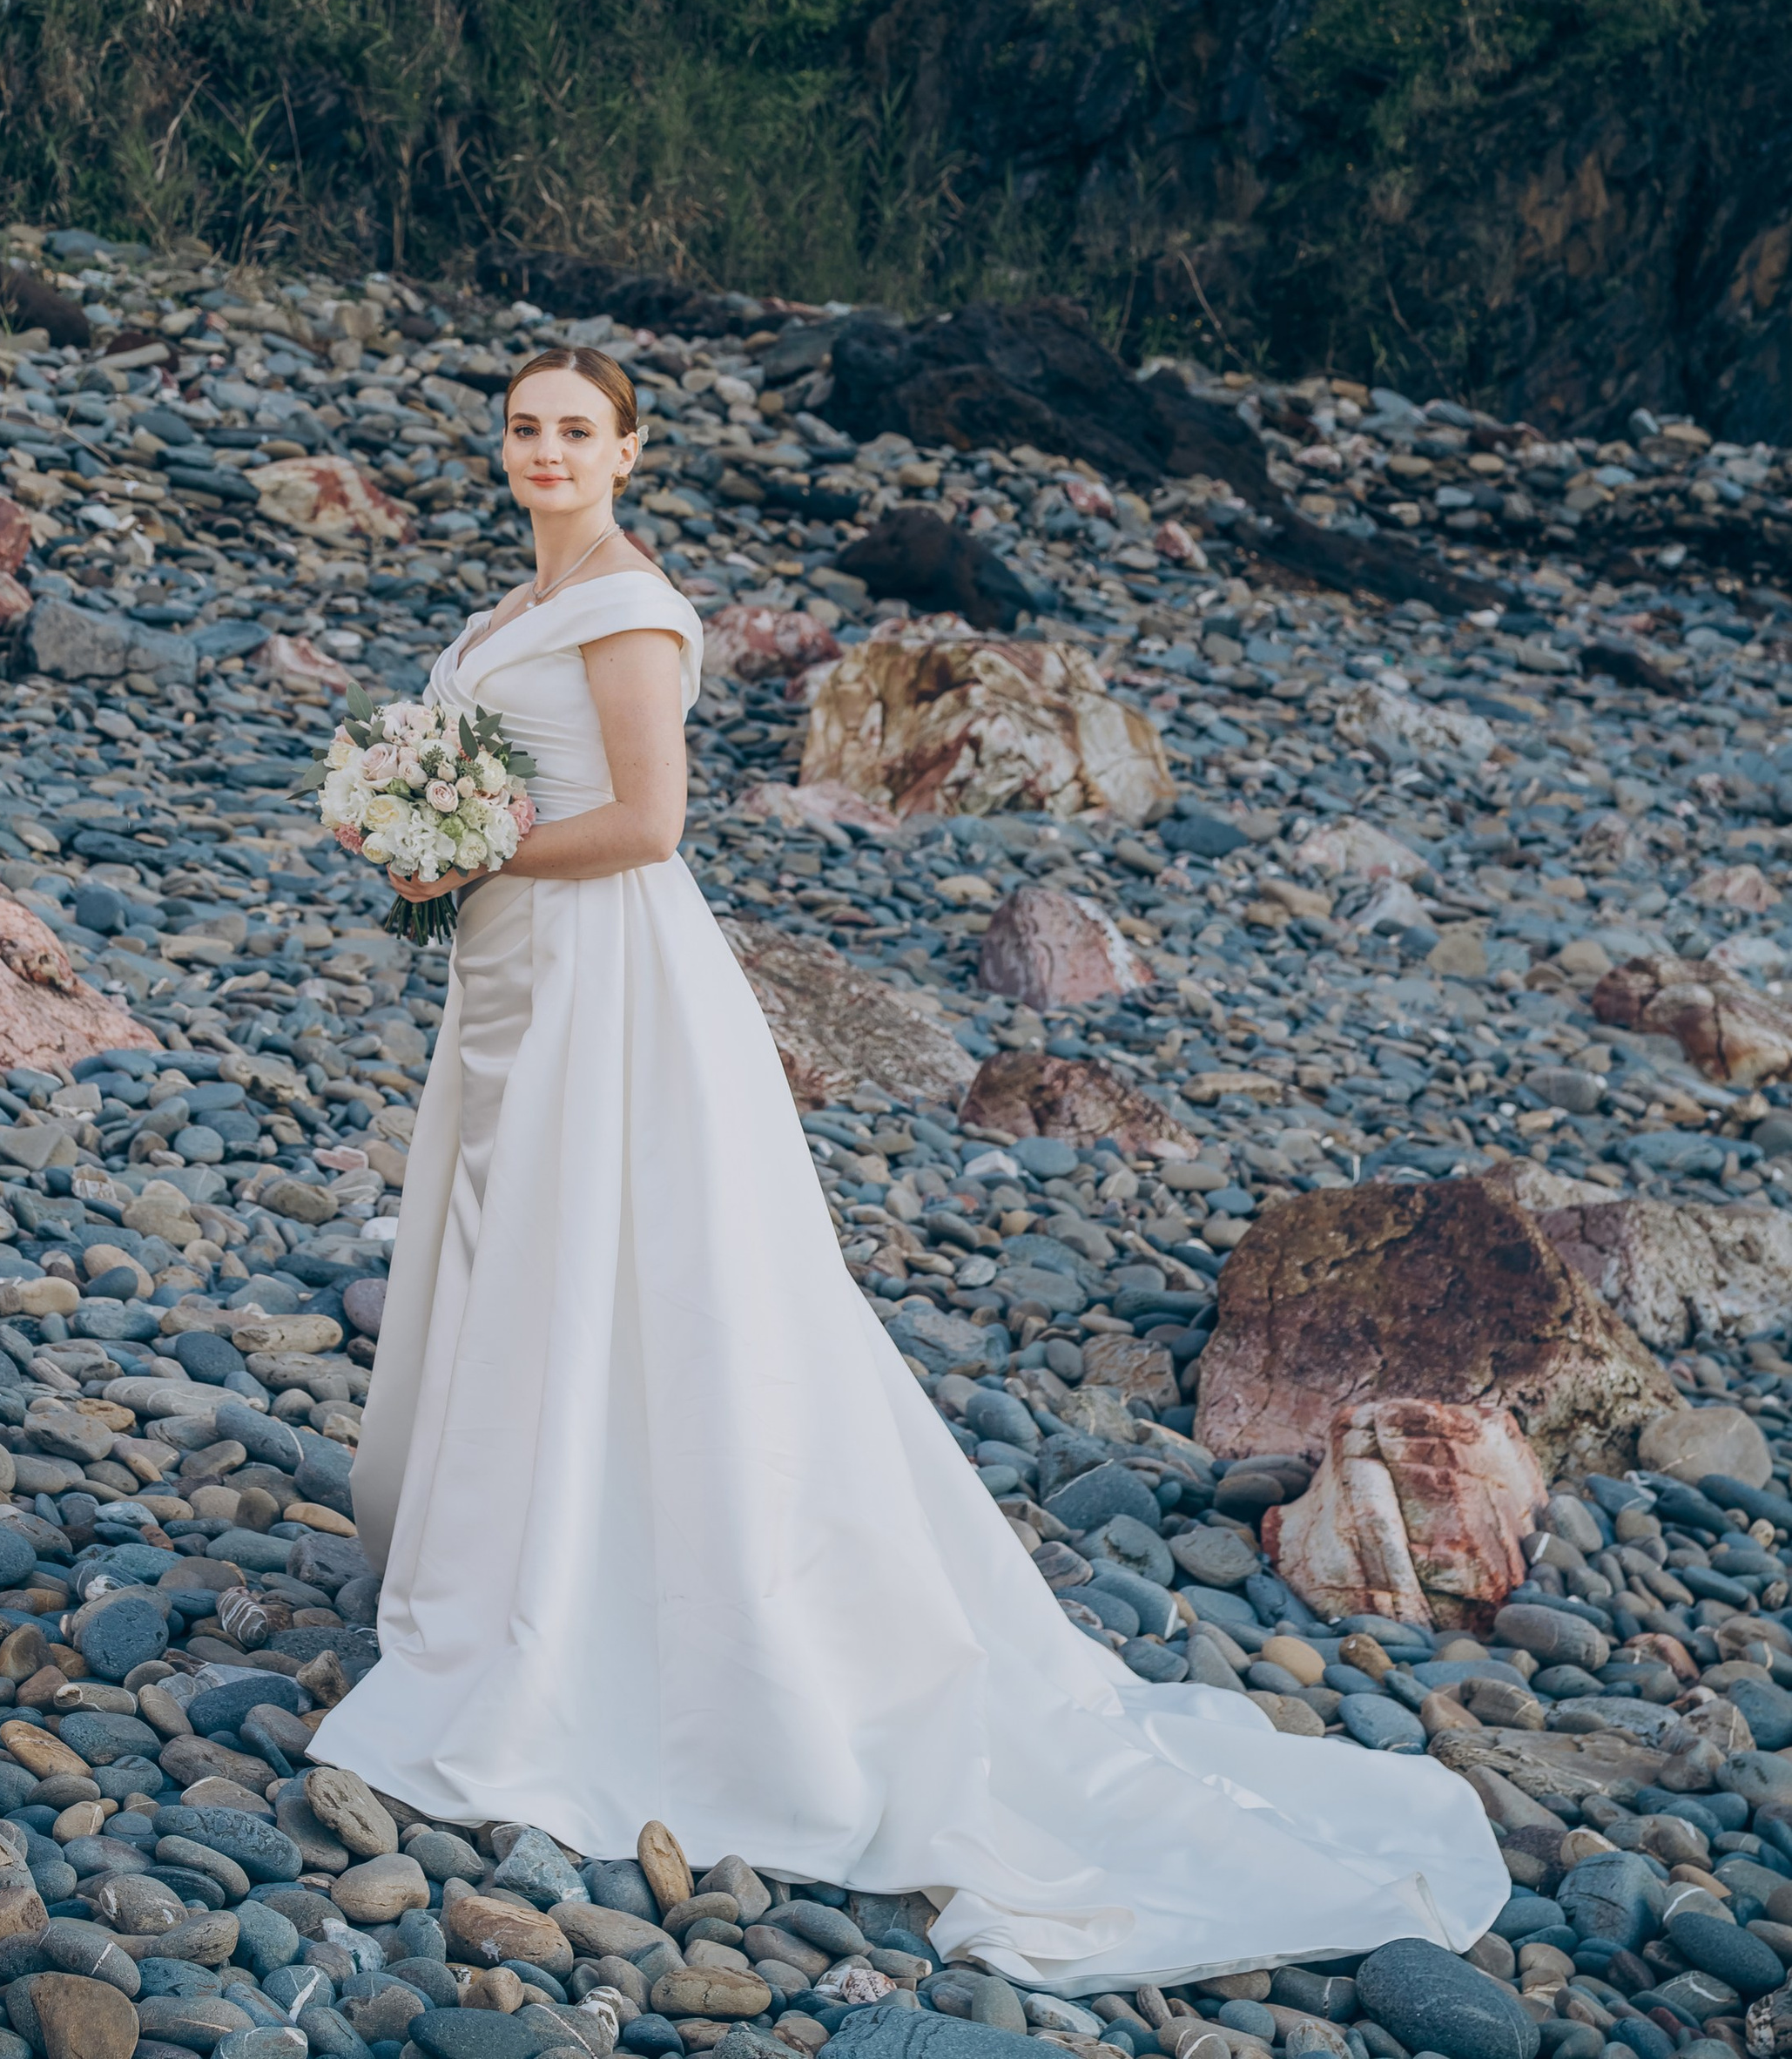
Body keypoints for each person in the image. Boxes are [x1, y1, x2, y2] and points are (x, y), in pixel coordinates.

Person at [312, 345, 1502, 1985]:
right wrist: (418, 832)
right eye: (524, 428)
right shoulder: (512, 609)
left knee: (617, 1262)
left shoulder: (634, 609)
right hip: (508, 977)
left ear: (630, 451)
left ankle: (621, 1601)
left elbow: (651, 826)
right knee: (512, 1245)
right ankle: (516, 1544)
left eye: (575, 431)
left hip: (605, 974)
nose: (544, 451)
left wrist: (460, 839)